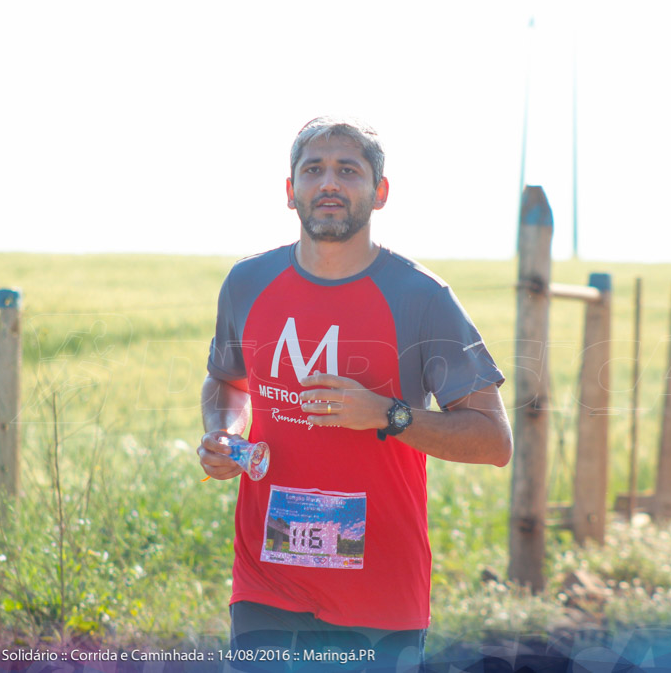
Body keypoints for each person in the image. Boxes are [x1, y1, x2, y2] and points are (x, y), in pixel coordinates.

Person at [198, 116, 513, 671]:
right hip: (267, 582)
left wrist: (388, 415)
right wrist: (222, 432)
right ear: (290, 191)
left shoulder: (422, 297)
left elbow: (494, 441)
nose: (329, 183)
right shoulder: (247, 283)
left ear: (380, 192)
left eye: (349, 170)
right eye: (313, 170)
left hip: (380, 596)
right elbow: (227, 381)